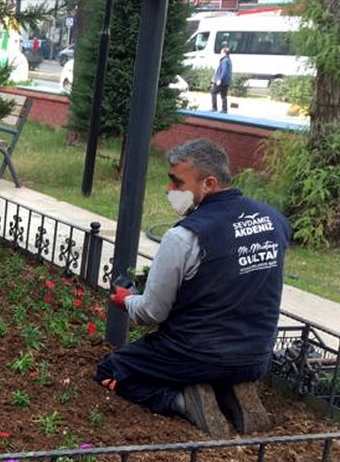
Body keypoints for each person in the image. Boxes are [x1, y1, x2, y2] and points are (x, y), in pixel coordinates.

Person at [95, 139, 290, 438]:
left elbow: (152, 312)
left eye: (177, 183)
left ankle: (182, 401)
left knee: (112, 369)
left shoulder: (184, 236)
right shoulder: (274, 221)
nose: (169, 191)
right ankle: (229, 394)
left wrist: (127, 301)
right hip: (255, 358)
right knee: (211, 363)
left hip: (194, 355)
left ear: (208, 183)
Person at [210, 47, 232, 113]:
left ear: (224, 53)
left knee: (213, 92)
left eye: (221, 52)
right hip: (226, 81)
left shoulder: (224, 61)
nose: (220, 54)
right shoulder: (228, 60)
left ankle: (214, 108)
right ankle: (224, 109)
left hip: (222, 81)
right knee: (223, 95)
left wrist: (219, 79)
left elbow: (224, 71)